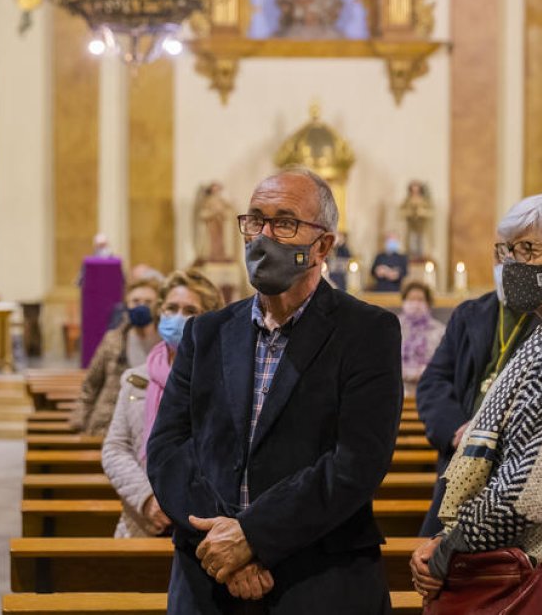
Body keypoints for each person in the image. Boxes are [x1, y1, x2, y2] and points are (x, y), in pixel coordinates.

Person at [148, 169, 402, 613]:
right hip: (210, 577)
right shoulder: (206, 333)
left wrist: (253, 537)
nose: (263, 236)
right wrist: (224, 545)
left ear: (322, 246)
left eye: (284, 223)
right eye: (255, 220)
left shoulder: (367, 332)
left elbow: (357, 462)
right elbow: (169, 448)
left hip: (317, 580)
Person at [410, 192, 542, 613]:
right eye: (509, 250)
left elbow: (526, 493)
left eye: (528, 250)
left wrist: (447, 550)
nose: (512, 264)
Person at [414, 248, 537, 536]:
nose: (505, 264)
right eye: (499, 254)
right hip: (460, 460)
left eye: (516, 253)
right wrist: (456, 428)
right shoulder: (470, 314)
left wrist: (490, 432)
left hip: (512, 466)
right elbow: (433, 381)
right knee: (436, 555)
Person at [102, 270, 224, 538]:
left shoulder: (223, 382)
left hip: (202, 529)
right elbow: (115, 449)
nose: (178, 318)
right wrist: (147, 499)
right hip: (140, 524)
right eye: (171, 308)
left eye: (190, 310)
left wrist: (181, 505)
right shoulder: (135, 380)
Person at [71, 277, 162, 435]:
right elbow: (91, 384)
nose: (141, 306)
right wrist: (79, 422)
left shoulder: (166, 344)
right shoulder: (113, 340)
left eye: (148, 302)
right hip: (109, 423)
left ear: (158, 306)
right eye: (135, 301)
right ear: (127, 304)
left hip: (153, 424)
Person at [398, 281, 445, 397]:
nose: (415, 304)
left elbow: (444, 361)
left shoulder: (439, 330)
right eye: (411, 299)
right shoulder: (394, 327)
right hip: (399, 388)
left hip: (430, 388)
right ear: (404, 301)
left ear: (428, 303)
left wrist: (425, 371)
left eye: (420, 299)